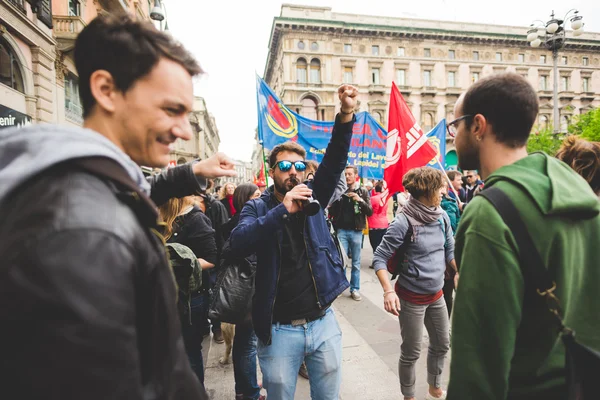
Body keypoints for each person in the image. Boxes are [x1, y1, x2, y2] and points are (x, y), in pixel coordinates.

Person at [0, 14, 236, 400]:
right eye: (170, 110)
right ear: (107, 90)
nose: (184, 131)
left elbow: (134, 186)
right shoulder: (85, 233)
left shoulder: (89, 180)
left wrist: (190, 172)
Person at [446, 73, 600, 399]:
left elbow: (478, 367)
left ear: (477, 126)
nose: (453, 134)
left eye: (455, 124)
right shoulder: (574, 188)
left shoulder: (489, 212)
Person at [229, 84, 358, 400]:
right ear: (272, 171)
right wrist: (282, 210)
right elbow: (236, 243)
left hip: (322, 322)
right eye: (284, 166)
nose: (293, 172)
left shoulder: (315, 196)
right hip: (278, 329)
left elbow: (335, 159)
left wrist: (345, 114)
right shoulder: (258, 207)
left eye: (299, 166)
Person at [373, 167, 456, 400]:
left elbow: (449, 249)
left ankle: (434, 387)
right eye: (439, 187)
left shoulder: (442, 216)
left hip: (437, 295)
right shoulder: (403, 222)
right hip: (411, 298)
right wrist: (388, 291)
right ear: (426, 191)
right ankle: (408, 396)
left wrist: (461, 271)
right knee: (411, 351)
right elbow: (379, 257)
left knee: (442, 344)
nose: (443, 191)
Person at [159, 195, 217, 388]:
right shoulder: (159, 216)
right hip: (164, 294)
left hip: (191, 299)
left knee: (189, 351)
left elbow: (212, 257)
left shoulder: (195, 219)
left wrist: (177, 265)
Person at [220, 183, 264, 400]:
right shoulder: (246, 226)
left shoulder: (234, 222)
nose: (261, 199)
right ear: (245, 200)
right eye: (256, 196)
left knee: (242, 342)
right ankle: (252, 394)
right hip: (248, 290)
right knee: (248, 343)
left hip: (242, 291)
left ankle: (242, 389)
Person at [329, 165, 373, 301]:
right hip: (341, 230)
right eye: (345, 174)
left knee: (356, 263)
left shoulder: (363, 192)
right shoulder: (340, 191)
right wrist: (337, 201)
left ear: (355, 176)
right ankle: (340, 287)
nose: (347, 176)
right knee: (341, 261)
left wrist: (359, 200)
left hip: (356, 232)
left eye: (349, 174)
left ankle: (355, 289)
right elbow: (332, 212)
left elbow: (370, 212)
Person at [440, 179, 460, 318]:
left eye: (444, 186)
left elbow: (459, 223)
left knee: (448, 293)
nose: (442, 190)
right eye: (439, 186)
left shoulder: (452, 203)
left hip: (450, 253)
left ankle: (444, 326)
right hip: (434, 255)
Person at [367, 181, 389, 268]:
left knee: (375, 245)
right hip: (384, 223)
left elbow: (368, 211)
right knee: (381, 244)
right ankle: (383, 261)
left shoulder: (373, 199)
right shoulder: (385, 199)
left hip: (374, 225)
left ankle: (377, 262)